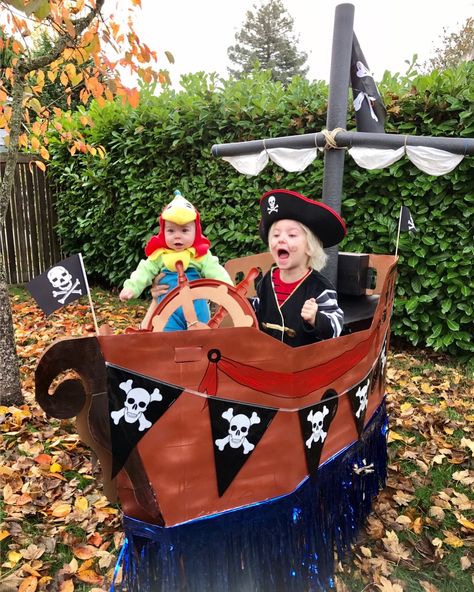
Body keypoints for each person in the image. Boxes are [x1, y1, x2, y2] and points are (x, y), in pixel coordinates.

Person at [120, 190, 232, 331]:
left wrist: (227, 289)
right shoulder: (159, 255)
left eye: (184, 231)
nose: (177, 237)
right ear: (163, 231)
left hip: (196, 305)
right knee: (168, 337)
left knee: (202, 336)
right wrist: (131, 287)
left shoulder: (199, 254)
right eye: (171, 231)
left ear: (196, 232)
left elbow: (216, 271)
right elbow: (143, 271)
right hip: (168, 308)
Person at [253, 189, 346, 347]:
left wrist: (316, 318)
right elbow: (260, 305)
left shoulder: (321, 288)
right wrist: (242, 303)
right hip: (268, 361)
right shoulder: (268, 279)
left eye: (292, 235)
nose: (281, 239)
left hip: (305, 366)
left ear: (310, 247)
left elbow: (336, 325)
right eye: (276, 235)